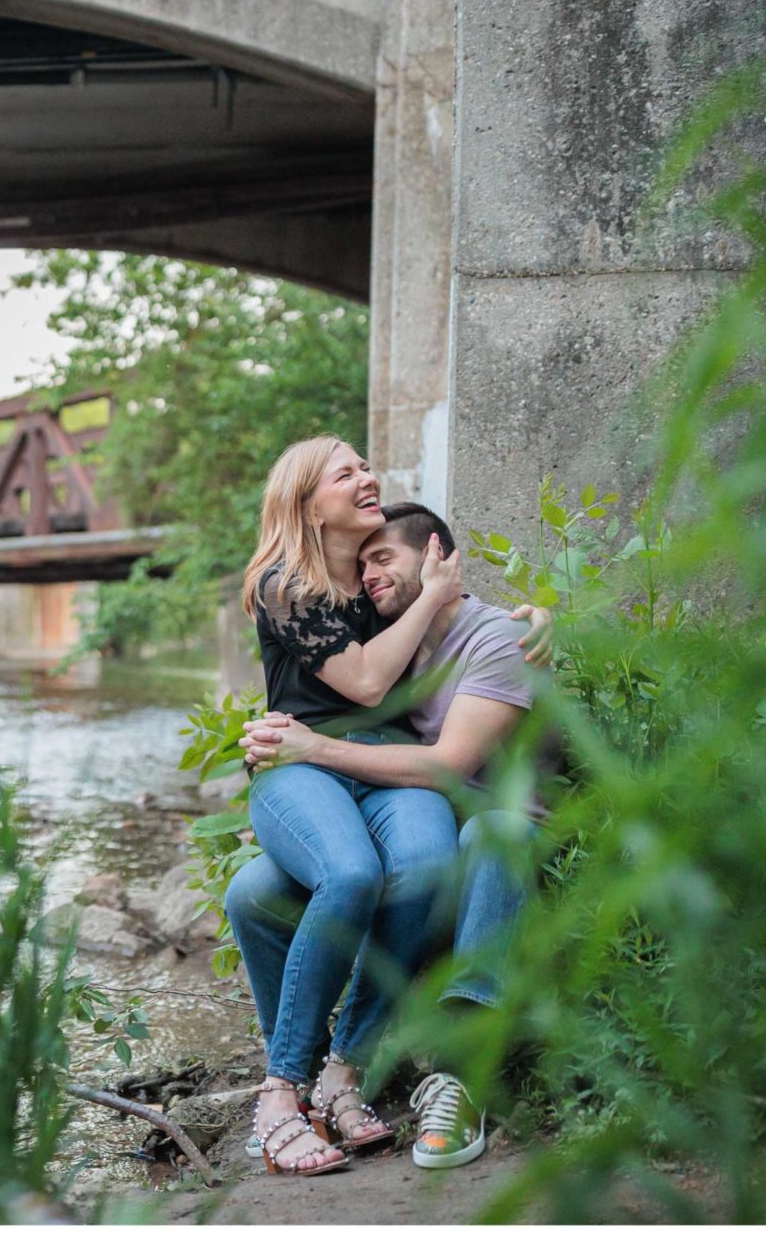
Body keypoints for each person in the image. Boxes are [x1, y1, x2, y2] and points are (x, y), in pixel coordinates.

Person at [229, 435, 552, 1178]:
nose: (365, 477)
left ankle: (347, 1073)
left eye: (365, 466)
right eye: (345, 472)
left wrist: (530, 615)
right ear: (306, 502)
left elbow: (460, 619)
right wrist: (436, 592)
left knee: (429, 862)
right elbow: (371, 682)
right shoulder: (287, 584)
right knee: (343, 875)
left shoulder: (384, 591)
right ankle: (283, 1091)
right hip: (301, 762)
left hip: (386, 769)